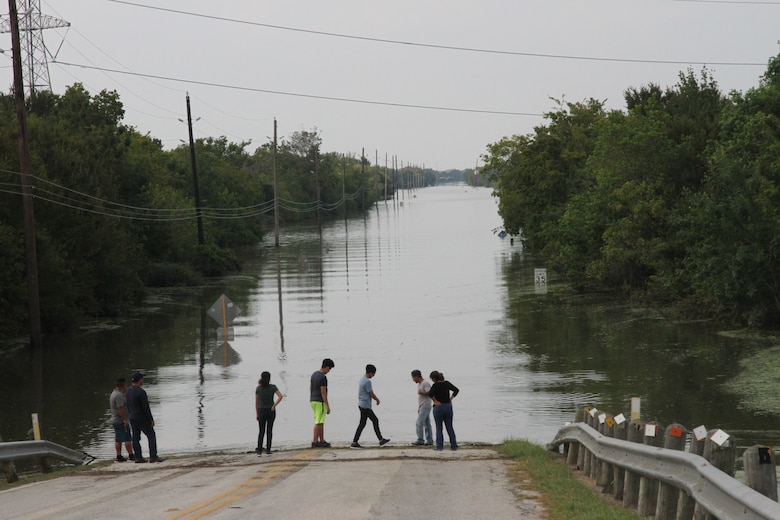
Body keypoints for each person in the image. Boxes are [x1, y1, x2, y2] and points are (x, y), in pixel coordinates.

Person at [125, 371, 163, 463]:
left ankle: (138, 457)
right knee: (151, 435)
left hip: (132, 417)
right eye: (142, 378)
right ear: (139, 380)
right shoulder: (141, 392)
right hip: (141, 417)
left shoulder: (128, 391)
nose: (143, 380)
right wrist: (151, 419)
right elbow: (145, 407)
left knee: (135, 437)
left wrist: (129, 416)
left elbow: (127, 405)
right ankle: (153, 456)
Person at [351, 364, 390, 449]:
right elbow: (371, 393)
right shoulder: (367, 381)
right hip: (365, 405)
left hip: (361, 404)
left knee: (363, 423)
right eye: (373, 374)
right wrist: (377, 399)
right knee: (374, 420)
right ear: (370, 372)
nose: (373, 376)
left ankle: (355, 442)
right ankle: (380, 440)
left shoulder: (362, 379)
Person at [428, 370, 459, 451]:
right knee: (449, 427)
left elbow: (430, 394)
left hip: (439, 407)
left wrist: (435, 401)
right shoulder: (446, 383)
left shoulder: (435, 385)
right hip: (448, 406)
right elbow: (456, 390)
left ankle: (439, 446)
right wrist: (451, 399)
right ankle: (454, 445)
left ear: (434, 379)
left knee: (439, 427)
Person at [255, 371, 283, 455]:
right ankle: (268, 450)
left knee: (261, 431)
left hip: (261, 410)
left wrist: (257, 413)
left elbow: (256, 402)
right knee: (269, 430)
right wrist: (274, 405)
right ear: (269, 378)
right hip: (271, 410)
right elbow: (280, 396)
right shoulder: (273, 387)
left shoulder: (258, 388)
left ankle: (259, 450)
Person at [310, 358, 334, 448]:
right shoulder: (323, 377)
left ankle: (322, 439)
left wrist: (312, 396)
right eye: (329, 369)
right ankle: (315, 441)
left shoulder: (314, 375)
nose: (329, 371)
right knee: (318, 422)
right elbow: (323, 392)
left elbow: (310, 388)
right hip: (320, 401)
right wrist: (327, 405)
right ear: (327, 367)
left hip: (313, 400)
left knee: (320, 421)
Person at [109, 378, 134, 462]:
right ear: (122, 386)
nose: (126, 387)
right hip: (120, 420)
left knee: (118, 438)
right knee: (127, 438)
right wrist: (125, 420)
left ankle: (119, 455)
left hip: (114, 419)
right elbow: (121, 408)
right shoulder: (119, 395)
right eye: (126, 385)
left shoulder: (113, 393)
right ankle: (131, 454)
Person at [411, 370, 433, 446]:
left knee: (419, 423)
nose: (413, 380)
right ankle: (429, 440)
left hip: (426, 405)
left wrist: (422, 393)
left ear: (416, 376)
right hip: (422, 406)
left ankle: (420, 440)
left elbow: (430, 393)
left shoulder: (425, 383)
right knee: (427, 424)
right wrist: (419, 407)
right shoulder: (420, 384)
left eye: (413, 378)